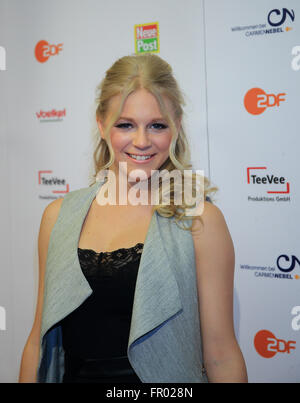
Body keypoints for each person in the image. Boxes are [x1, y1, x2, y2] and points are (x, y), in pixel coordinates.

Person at [19, 53, 247, 383]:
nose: (141, 141)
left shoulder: (200, 222)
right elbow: (35, 344)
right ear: (101, 124)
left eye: (157, 125)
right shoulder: (57, 217)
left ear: (176, 126)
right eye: (126, 124)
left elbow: (221, 356)